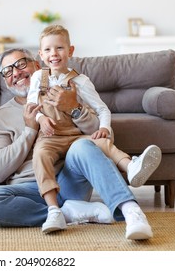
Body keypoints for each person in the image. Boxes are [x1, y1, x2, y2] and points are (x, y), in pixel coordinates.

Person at [0, 48, 154, 240]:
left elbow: (103, 139)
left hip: (69, 182)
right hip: (28, 191)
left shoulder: (67, 94)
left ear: (38, 66)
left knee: (83, 146)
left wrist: (74, 108)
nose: (16, 73)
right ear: (5, 80)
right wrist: (30, 130)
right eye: (8, 71)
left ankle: (131, 212)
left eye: (20, 64)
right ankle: (68, 213)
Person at [26, 24, 161, 233]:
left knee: (100, 142)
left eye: (60, 48)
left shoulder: (80, 81)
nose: (54, 53)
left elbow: (102, 109)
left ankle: (131, 166)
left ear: (70, 51)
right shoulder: (37, 78)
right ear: (41, 55)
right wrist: (41, 118)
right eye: (48, 50)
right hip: (50, 136)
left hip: (75, 136)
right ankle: (54, 211)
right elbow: (31, 107)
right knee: (40, 155)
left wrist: (105, 128)